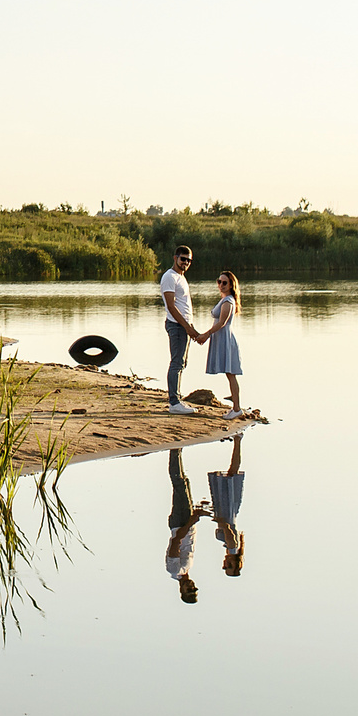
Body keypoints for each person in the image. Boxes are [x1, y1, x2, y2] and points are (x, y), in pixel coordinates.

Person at [157, 244, 203, 413]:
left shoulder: (181, 277)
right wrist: (186, 327)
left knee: (182, 362)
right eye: (183, 259)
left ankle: (176, 399)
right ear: (175, 258)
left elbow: (184, 306)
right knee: (177, 362)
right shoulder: (170, 277)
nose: (186, 262)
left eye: (189, 260)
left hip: (184, 325)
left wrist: (191, 327)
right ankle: (174, 403)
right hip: (176, 325)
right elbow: (171, 306)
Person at [165, 446, 205, 602]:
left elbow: (176, 541)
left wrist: (190, 522)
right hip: (186, 524)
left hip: (181, 524)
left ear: (182, 590)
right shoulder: (186, 569)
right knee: (185, 483)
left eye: (189, 590)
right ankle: (177, 452)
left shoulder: (175, 569)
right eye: (194, 589)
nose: (192, 586)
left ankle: (174, 451)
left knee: (179, 484)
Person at [204, 271, 248, 416]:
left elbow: (222, 323)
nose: (221, 285)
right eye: (219, 281)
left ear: (231, 285)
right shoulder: (224, 299)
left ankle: (236, 408)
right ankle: (235, 400)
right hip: (221, 339)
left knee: (231, 373)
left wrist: (206, 334)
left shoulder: (228, 301)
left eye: (224, 283)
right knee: (229, 374)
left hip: (225, 339)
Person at [207, 433, 248, 577]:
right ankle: (237, 441)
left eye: (225, 567)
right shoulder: (232, 547)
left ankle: (237, 442)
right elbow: (229, 530)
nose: (225, 564)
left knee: (231, 473)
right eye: (229, 566)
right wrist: (221, 522)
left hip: (225, 511)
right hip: (227, 512)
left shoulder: (231, 547)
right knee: (232, 474)